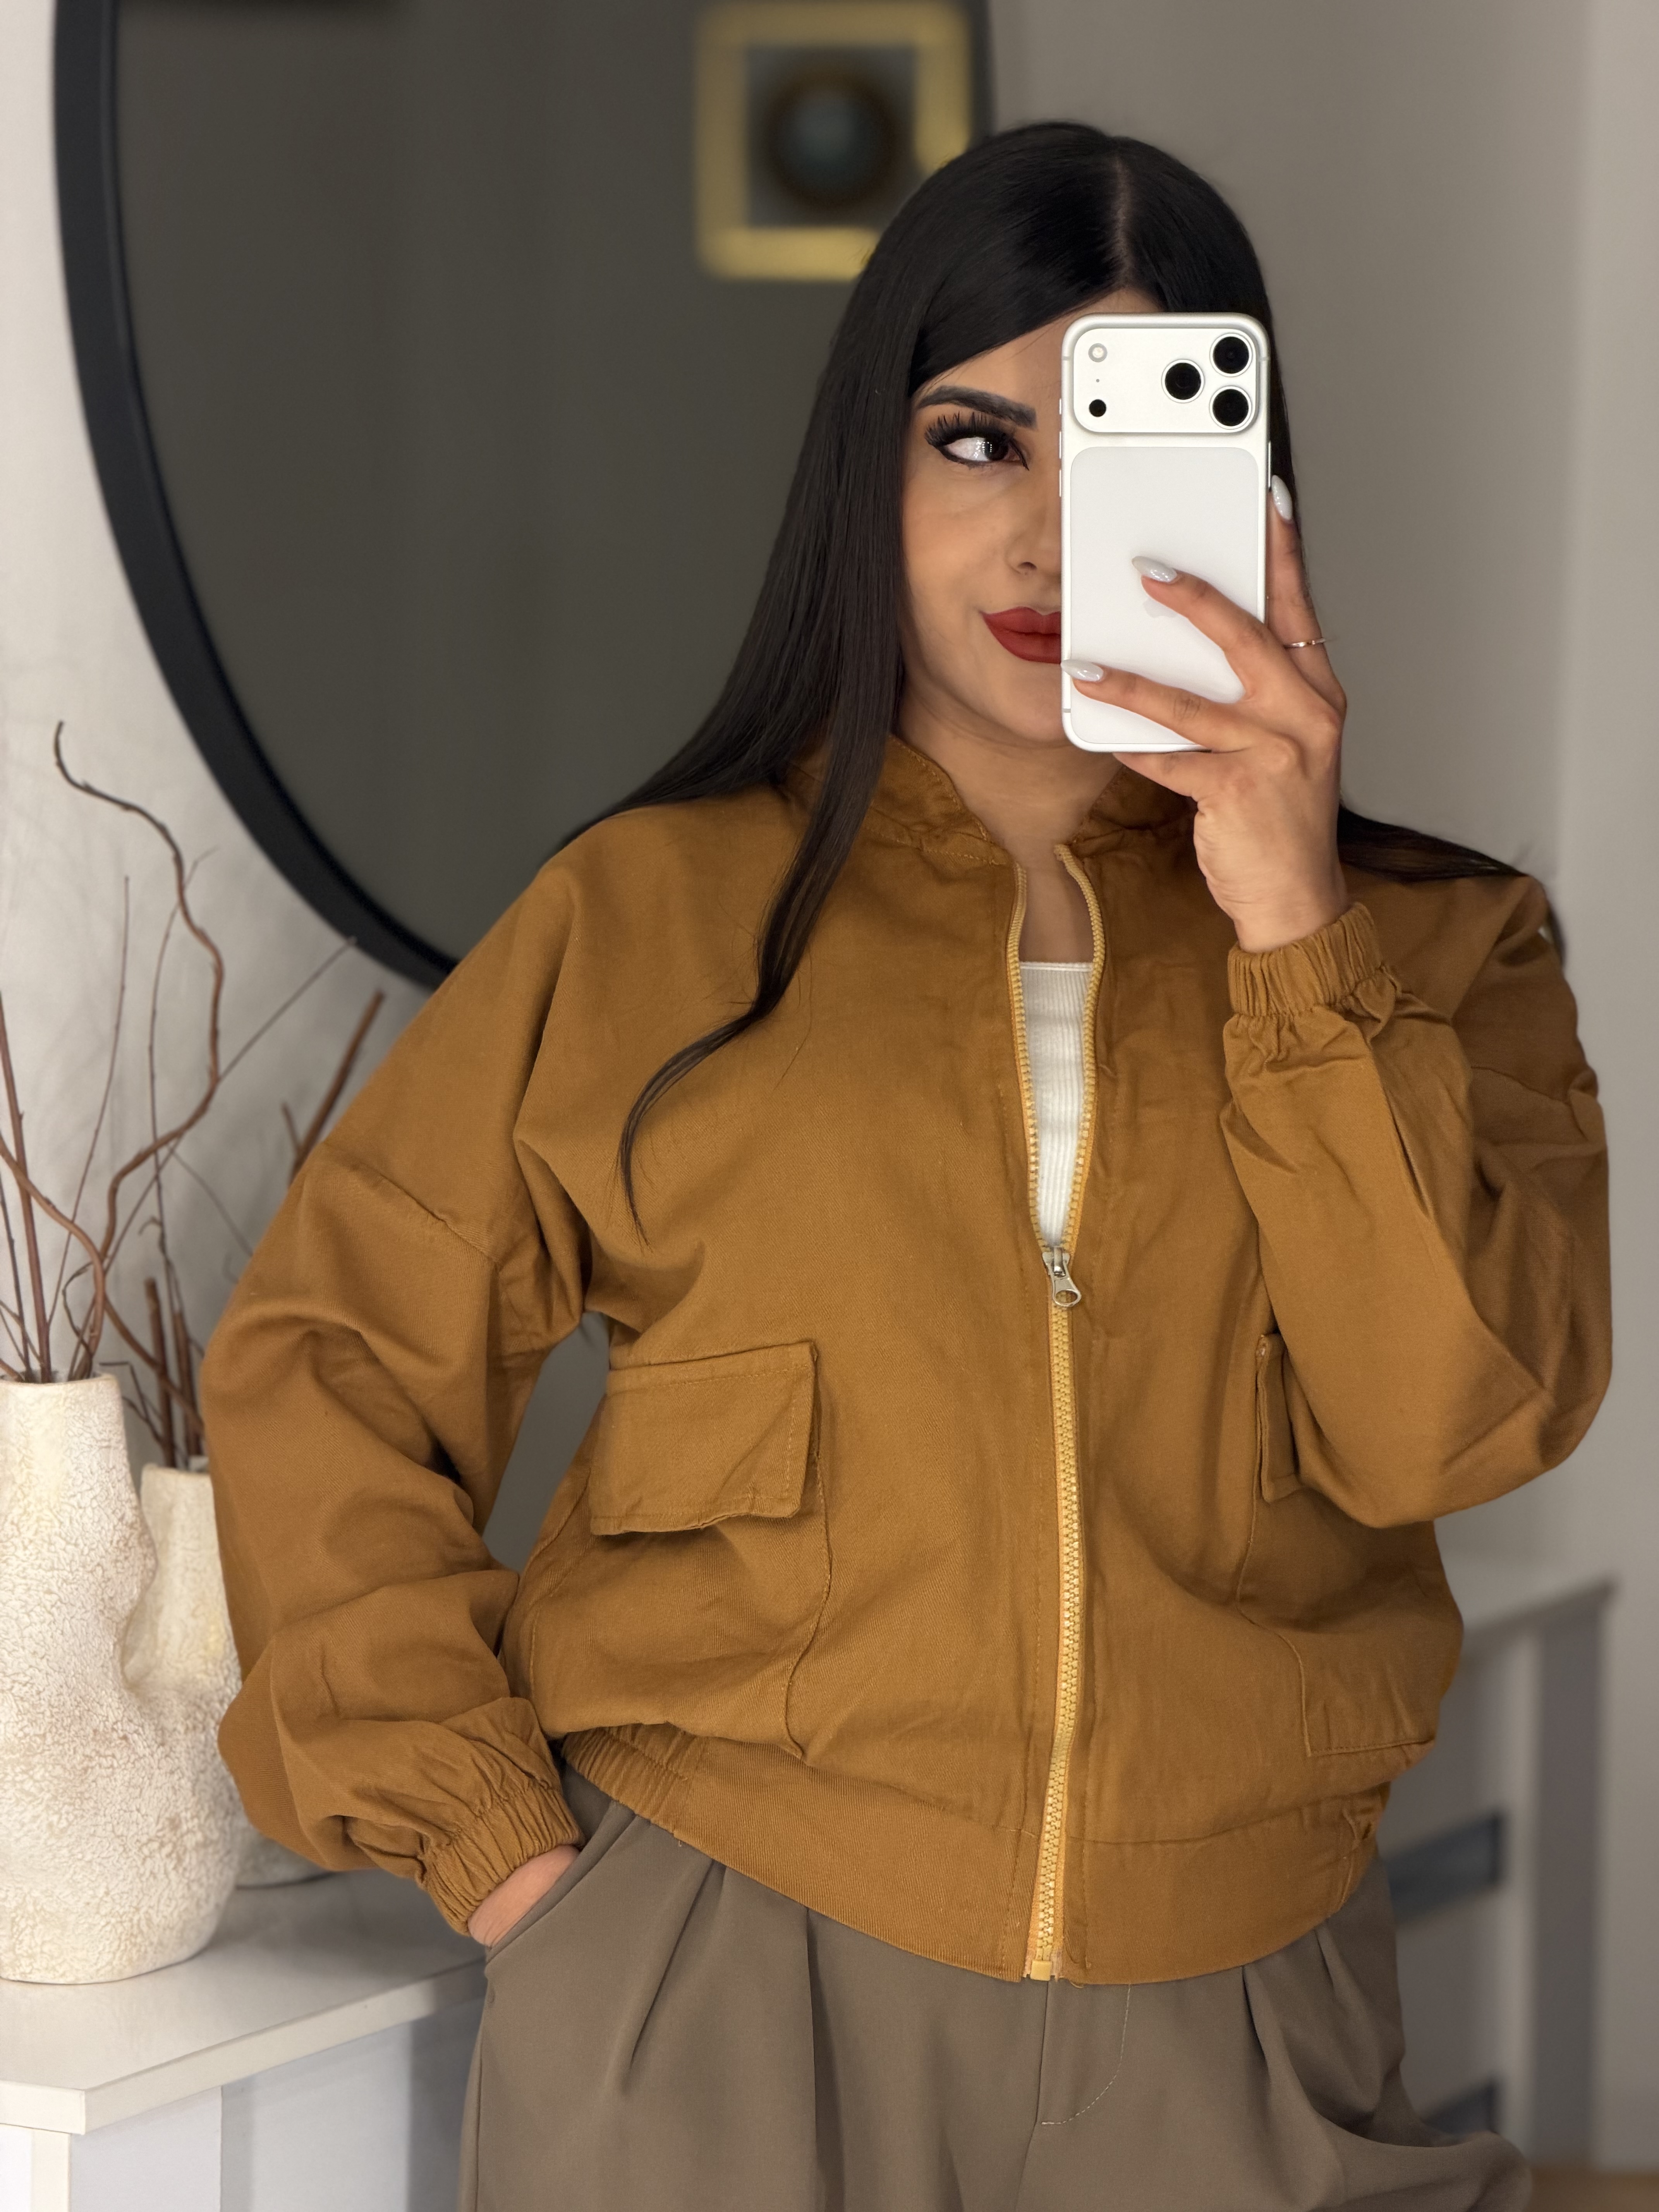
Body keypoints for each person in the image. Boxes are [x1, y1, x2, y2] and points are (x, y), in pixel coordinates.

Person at [201, 123, 1610, 2210]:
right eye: (976, 441)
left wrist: (1293, 926)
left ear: (1242, 490)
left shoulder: (1441, 950)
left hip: (1236, 2015)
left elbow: (1451, 1424)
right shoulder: (644, 917)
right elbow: (329, 1363)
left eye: (1119, 450)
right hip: (718, 1990)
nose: (1046, 534)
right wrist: (496, 1847)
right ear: (868, 474)